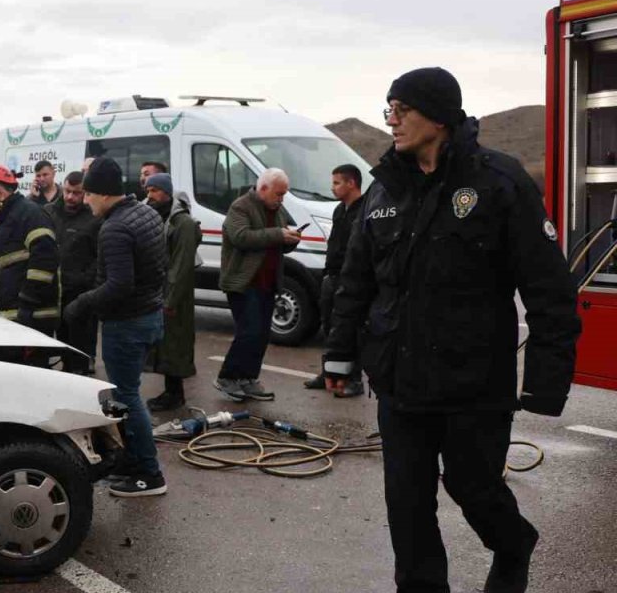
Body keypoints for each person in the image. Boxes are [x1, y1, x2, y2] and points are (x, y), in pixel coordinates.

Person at [322, 67, 580, 593]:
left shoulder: (499, 182)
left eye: (402, 110)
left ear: (438, 116)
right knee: (407, 505)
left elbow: (549, 290)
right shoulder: (384, 189)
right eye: (389, 109)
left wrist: (546, 384)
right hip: (399, 382)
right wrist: (339, 355)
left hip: (473, 384)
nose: (391, 121)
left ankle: (513, 544)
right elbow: (356, 281)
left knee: (474, 488)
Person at [62, 158, 167, 497]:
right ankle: (131, 459)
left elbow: (119, 284)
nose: (85, 200)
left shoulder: (115, 228)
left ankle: (149, 474)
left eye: (88, 194)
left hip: (128, 323)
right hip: (149, 315)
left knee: (126, 397)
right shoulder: (146, 213)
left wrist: (82, 304)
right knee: (127, 393)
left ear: (104, 194)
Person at [215, 169, 301, 402]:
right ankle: (227, 377)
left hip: (268, 282)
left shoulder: (278, 209)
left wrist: (292, 238)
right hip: (243, 282)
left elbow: (281, 239)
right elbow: (241, 237)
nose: (281, 199)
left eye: (284, 194)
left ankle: (248, 378)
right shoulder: (240, 207)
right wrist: (279, 235)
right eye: (278, 194)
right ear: (263, 188)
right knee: (249, 331)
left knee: (261, 334)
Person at [0, 165, 60, 336]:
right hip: (17, 318)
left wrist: (27, 305)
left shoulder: (30, 214)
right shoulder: (4, 225)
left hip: (35, 318)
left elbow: (44, 261)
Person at [304, 164, 366, 397]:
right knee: (329, 326)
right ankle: (329, 372)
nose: (333, 188)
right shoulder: (340, 210)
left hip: (351, 279)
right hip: (331, 276)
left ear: (351, 183)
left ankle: (354, 379)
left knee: (350, 330)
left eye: (337, 183)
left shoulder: (365, 210)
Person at [144, 173, 202, 411]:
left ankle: (175, 394)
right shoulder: (155, 215)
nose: (149, 195)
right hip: (160, 289)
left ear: (167, 192)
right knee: (164, 343)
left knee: (175, 344)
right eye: (148, 191)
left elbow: (181, 265)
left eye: (154, 190)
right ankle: (171, 391)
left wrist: (170, 300)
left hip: (176, 294)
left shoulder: (183, 223)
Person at [46, 171, 100, 374]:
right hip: (54, 290)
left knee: (79, 343)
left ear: (85, 193)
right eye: (67, 191)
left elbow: (100, 256)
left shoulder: (94, 217)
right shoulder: (49, 212)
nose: (70, 197)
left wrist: (85, 279)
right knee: (61, 340)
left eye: (76, 193)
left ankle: (79, 372)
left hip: (80, 293)